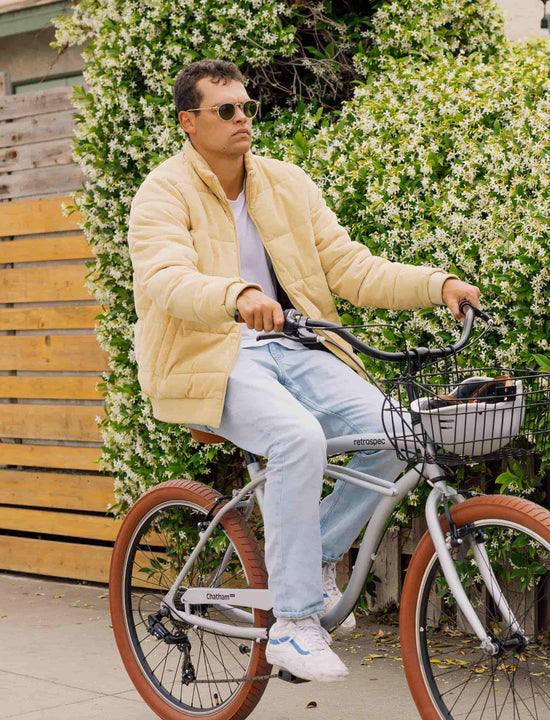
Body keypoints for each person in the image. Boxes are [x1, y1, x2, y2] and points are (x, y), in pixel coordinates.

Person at [127, 58, 480, 683]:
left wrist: (438, 283)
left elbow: (350, 267)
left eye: (247, 109)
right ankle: (291, 623)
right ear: (188, 123)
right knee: (297, 438)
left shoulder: (286, 183)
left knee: (397, 430)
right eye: (225, 111)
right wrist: (235, 296)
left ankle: (314, 554)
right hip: (212, 355)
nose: (242, 120)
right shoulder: (162, 191)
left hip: (298, 345)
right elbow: (166, 279)